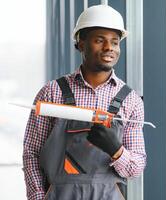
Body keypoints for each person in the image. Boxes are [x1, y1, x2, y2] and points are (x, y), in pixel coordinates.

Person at [23, 5, 146, 200]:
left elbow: (135, 169)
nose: (109, 48)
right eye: (99, 40)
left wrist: (116, 151)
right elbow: (31, 154)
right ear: (81, 44)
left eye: (115, 42)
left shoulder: (131, 100)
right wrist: (38, 197)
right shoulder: (52, 93)